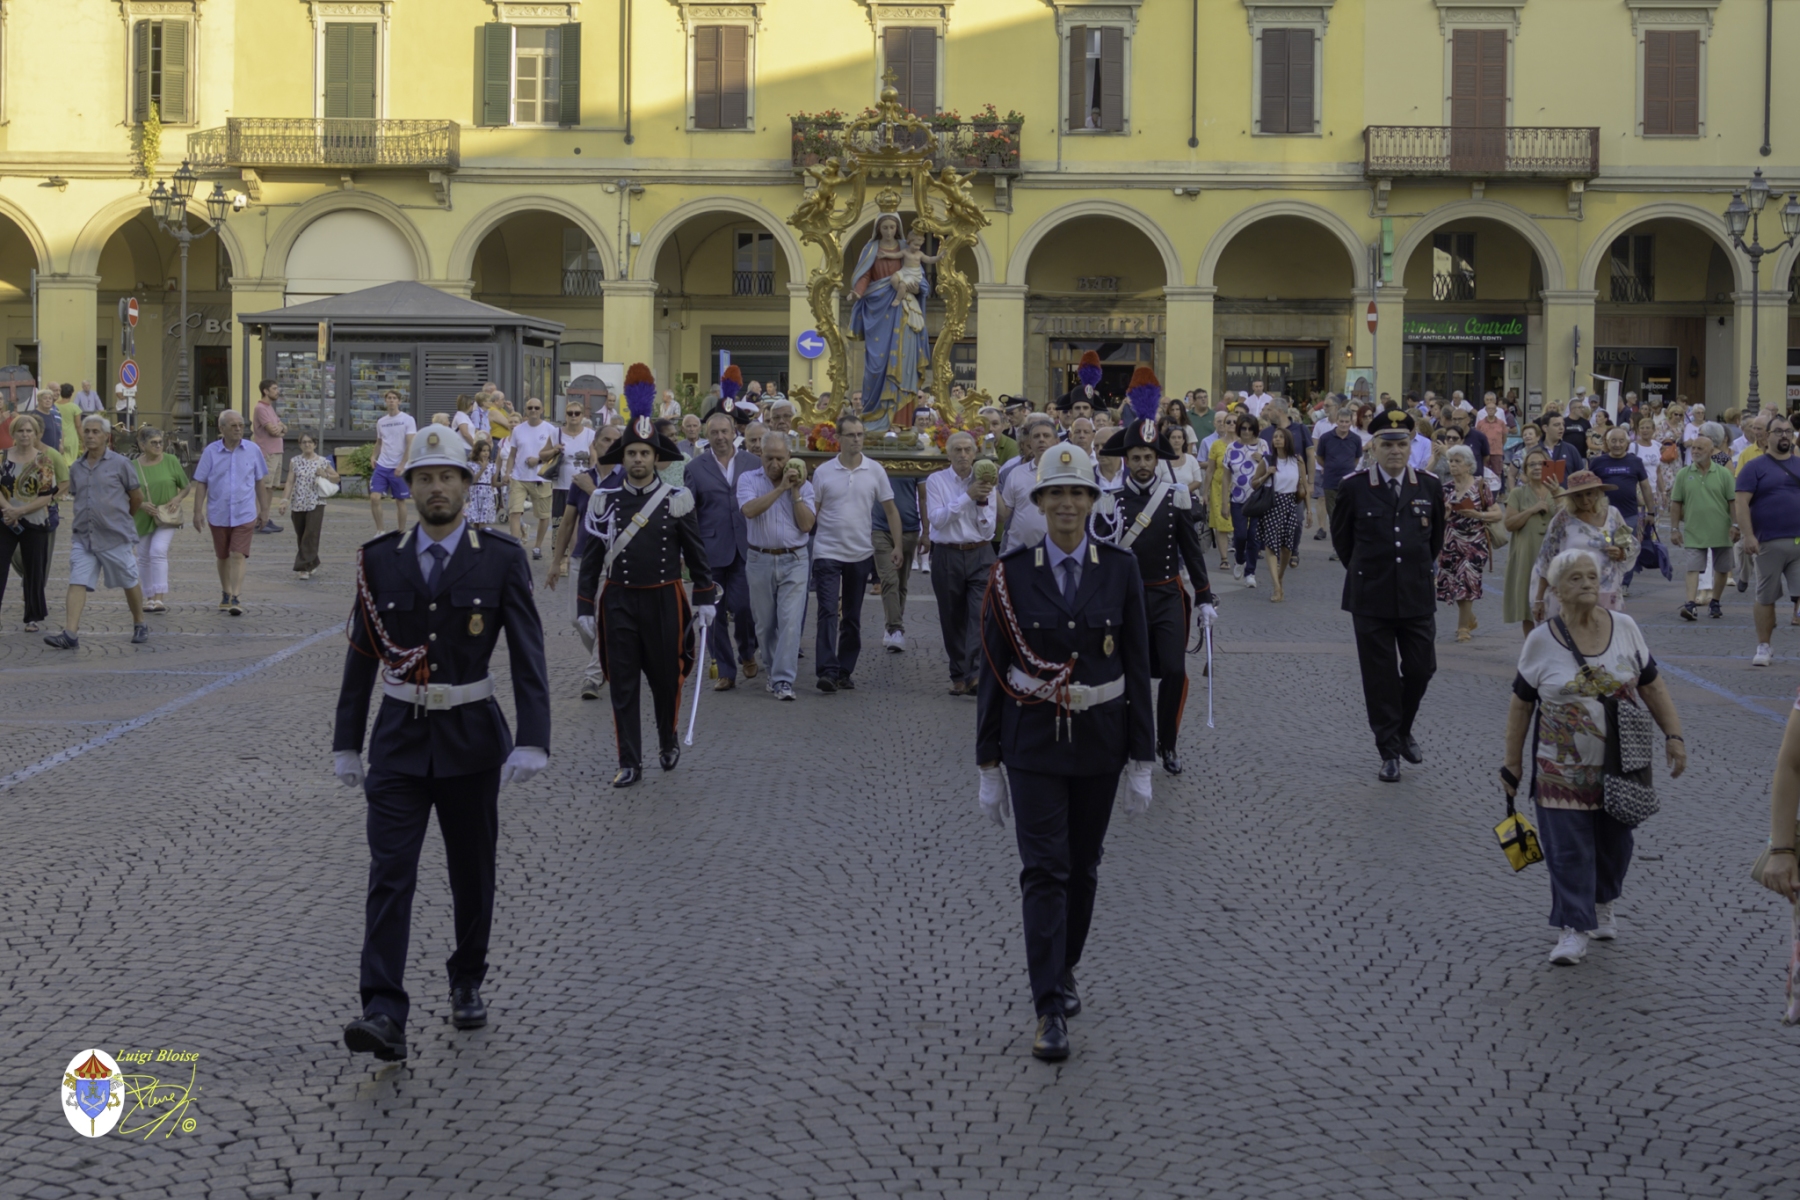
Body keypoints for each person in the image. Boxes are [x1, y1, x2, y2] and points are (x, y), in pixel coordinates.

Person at [332, 425, 549, 1063]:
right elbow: (362, 655)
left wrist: (533, 739)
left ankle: (467, 977)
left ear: (465, 484)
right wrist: (346, 741)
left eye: (446, 477)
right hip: (398, 741)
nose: (435, 489)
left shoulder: (501, 557)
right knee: (390, 873)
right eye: (424, 478)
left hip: (472, 740)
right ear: (410, 486)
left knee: (471, 874)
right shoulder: (380, 559)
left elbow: (528, 654)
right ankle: (382, 1009)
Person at [976, 442, 1154, 1063]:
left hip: (1100, 743)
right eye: (1056, 493)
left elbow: (1137, 665)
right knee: (1044, 871)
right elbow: (993, 667)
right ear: (1039, 501)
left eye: (1078, 493)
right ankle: (1048, 1005)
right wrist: (988, 762)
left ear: (1092, 501)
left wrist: (1143, 759)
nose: (1068, 504)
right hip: (1032, 744)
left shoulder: (1120, 569)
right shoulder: (1011, 574)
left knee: (1082, 869)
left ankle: (1065, 963)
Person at [1501, 549, 1685, 965]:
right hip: (1560, 768)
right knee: (1567, 848)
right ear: (1556, 590)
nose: (1587, 584)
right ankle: (1572, 927)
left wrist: (1674, 735)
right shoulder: (1540, 640)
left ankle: (1603, 902)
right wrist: (1512, 764)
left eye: (1591, 576)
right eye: (1575, 578)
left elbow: (1652, 686)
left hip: (1623, 763)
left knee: (1616, 843)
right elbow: (1521, 704)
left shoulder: (1625, 627)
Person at [581, 366, 717, 787]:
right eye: (631, 454)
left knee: (665, 680)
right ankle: (629, 761)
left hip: (664, 600)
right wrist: (585, 606)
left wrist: (705, 597)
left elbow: (696, 553)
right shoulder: (604, 501)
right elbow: (592, 559)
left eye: (644, 453)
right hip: (619, 600)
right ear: (622, 459)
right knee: (623, 684)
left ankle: (667, 739)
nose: (638, 459)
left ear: (657, 458)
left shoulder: (677, 499)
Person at [1096, 386, 1218, 775]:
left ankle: (1168, 742)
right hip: (1125, 600)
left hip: (1166, 594)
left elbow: (1192, 552)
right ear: (1126, 460)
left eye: (1149, 457)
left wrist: (1205, 597)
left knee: (1175, 671)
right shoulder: (1109, 500)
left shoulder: (1175, 497)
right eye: (1136, 457)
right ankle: (1135, 738)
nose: (1143, 463)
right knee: (1128, 673)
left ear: (1157, 458)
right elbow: (1100, 557)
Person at [1329, 409, 1445, 782]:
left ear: (1411, 446)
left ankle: (1403, 727)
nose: (1395, 451)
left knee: (1421, 668)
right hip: (1371, 596)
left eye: (1402, 444)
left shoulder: (1428, 485)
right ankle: (1389, 751)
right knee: (1379, 678)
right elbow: (1343, 542)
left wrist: (1414, 569)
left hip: (1415, 593)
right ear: (1373, 447)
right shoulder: (1354, 486)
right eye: (1387, 445)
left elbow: (1435, 539)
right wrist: (1367, 572)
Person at [809, 414, 900, 692]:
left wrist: (897, 545)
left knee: (851, 615)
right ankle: (827, 670)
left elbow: (890, 510)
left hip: (860, 552)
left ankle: (844, 669)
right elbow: (813, 512)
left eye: (860, 434)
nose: (857, 439)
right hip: (827, 551)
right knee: (827, 611)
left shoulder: (875, 470)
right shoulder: (823, 472)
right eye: (851, 435)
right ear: (838, 438)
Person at [44, 414, 148, 649]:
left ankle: (140, 622)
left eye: (95, 432)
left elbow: (137, 497)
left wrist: (122, 519)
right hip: (84, 536)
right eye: (87, 431)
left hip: (115, 535)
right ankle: (70, 634)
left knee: (129, 580)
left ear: (106, 436)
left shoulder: (121, 464)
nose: (90, 435)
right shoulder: (76, 467)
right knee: (77, 580)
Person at [683, 409, 761, 689]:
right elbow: (689, 512)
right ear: (707, 435)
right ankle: (725, 670)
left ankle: (747, 651)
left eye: (724, 432)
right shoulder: (695, 467)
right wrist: (688, 551)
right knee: (712, 612)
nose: (720, 437)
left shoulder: (753, 463)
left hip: (745, 545)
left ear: (734, 433)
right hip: (710, 550)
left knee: (744, 607)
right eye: (714, 432)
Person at [737, 434, 816, 701]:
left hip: (794, 560)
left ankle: (783, 679)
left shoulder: (805, 485)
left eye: (780, 459)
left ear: (789, 457)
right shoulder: (748, 479)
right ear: (760, 455)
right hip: (759, 559)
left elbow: (806, 525)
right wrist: (781, 488)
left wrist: (795, 492)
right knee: (765, 625)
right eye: (769, 458)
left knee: (790, 622)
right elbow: (749, 510)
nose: (774, 464)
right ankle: (773, 671)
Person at [926, 431, 999, 697]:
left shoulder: (986, 481)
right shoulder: (936, 481)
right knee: (952, 617)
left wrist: (981, 501)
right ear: (948, 455)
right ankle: (958, 674)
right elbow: (937, 519)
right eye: (957, 450)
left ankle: (975, 674)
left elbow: (988, 529)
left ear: (975, 453)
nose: (963, 455)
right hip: (947, 554)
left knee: (979, 615)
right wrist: (968, 496)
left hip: (980, 553)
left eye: (968, 449)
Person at [1734, 414, 1800, 666]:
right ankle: (1764, 646)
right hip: (1767, 542)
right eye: (1779, 431)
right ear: (1766, 436)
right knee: (1766, 596)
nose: (1784, 435)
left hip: (1798, 542)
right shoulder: (1753, 466)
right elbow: (1741, 503)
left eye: (1788, 431)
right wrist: (1748, 535)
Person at [1530, 470, 1638, 623]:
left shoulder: (1613, 514)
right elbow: (1546, 559)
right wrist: (1539, 599)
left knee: (1606, 631)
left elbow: (1630, 544)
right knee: (1576, 632)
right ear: (1571, 498)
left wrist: (1621, 553)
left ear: (1597, 493)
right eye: (1578, 495)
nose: (1585, 500)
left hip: (1607, 590)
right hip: (1574, 592)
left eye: (1589, 494)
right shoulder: (1563, 519)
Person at [191, 409, 270, 617]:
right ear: (222, 428)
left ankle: (236, 596)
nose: (238, 429)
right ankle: (226, 592)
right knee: (223, 555)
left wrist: (264, 510)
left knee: (237, 554)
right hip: (218, 512)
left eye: (241, 425)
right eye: (233, 425)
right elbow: (201, 483)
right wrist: (197, 512)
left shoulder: (253, 450)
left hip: (244, 512)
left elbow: (260, 482)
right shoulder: (210, 452)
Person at [0, 413, 62, 632]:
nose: (25, 435)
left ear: (36, 434)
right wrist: (8, 510)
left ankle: (32, 617)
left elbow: (46, 496)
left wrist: (20, 511)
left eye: (29, 431)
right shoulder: (2, 457)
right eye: (21, 431)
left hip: (34, 521)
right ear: (13, 433)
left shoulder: (43, 461)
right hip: (4, 520)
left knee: (34, 570)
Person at [1436, 445, 1503, 642]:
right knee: (1452, 582)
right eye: (1451, 461)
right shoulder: (1445, 488)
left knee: (1467, 580)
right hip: (1451, 541)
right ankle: (1469, 617)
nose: (1453, 465)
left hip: (1474, 542)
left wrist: (1477, 514)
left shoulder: (1480, 486)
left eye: (1457, 461)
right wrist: (1445, 514)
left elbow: (1497, 513)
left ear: (1468, 465)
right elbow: (1437, 519)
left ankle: (1463, 628)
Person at [1669, 425, 1737, 621]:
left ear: (1711, 451)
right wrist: (1674, 529)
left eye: (1700, 448)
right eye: (1694, 448)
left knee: (1722, 568)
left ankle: (1715, 601)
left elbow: (1733, 502)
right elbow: (1676, 503)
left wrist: (1736, 525)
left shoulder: (1723, 473)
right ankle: (1690, 604)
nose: (1695, 451)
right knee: (1692, 567)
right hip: (1694, 529)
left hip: (1721, 529)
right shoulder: (1683, 474)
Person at [131, 425, 189, 612]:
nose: (158, 446)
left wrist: (177, 499)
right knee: (143, 557)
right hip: (142, 516)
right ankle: (149, 597)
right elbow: (124, 492)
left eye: (160, 442)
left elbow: (186, 486)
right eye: (153, 443)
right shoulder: (133, 466)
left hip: (166, 516)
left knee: (157, 551)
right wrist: (141, 504)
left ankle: (159, 598)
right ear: (142, 445)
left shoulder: (171, 460)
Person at [872, 446, 922, 654]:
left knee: (901, 582)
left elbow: (923, 498)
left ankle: (891, 626)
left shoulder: (916, 462)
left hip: (909, 529)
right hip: (879, 528)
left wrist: (927, 532)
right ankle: (896, 630)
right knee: (889, 579)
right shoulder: (874, 463)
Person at [1504, 447, 1557, 634]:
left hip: (1554, 557)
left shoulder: (1559, 491)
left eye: (1541, 463)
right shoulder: (1517, 493)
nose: (1537, 467)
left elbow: (1569, 520)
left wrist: (1557, 494)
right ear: (1525, 470)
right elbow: (1509, 524)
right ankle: (1531, 646)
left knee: (1556, 604)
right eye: (1531, 464)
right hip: (1527, 556)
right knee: (1528, 607)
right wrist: (1531, 510)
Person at [1251, 425, 1306, 602]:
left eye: (1281, 437)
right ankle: (1276, 587)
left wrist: (1309, 512)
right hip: (1272, 504)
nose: (1277, 439)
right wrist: (1267, 474)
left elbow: (1303, 486)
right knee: (1271, 544)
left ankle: (1280, 576)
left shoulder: (1297, 460)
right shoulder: (1268, 460)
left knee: (1287, 547)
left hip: (1290, 504)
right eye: (1275, 437)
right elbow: (1254, 483)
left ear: (1287, 440)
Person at [277, 433, 339, 580]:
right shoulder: (295, 461)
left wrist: (325, 474)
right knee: (302, 534)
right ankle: (312, 562)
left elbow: (337, 478)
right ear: (300, 445)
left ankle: (303, 568)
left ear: (315, 444)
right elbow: (290, 482)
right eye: (304, 442)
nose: (307, 445)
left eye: (310, 442)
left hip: (316, 502)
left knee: (311, 533)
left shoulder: (322, 461)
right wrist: (284, 500)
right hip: (298, 502)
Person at [504, 397, 557, 560]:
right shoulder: (518, 430)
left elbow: (556, 454)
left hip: (541, 478)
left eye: (536, 408)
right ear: (525, 410)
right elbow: (512, 454)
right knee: (515, 512)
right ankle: (514, 547)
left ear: (542, 410)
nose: (533, 410)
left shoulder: (550, 429)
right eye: (530, 408)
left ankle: (537, 546)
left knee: (543, 515)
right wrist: (507, 472)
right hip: (519, 477)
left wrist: (538, 460)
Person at [998, 416, 1057, 554]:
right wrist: (992, 487)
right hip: (1018, 551)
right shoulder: (1016, 473)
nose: (1041, 439)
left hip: (1053, 552)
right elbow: (1004, 515)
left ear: (1056, 441)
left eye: (1046, 436)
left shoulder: (1066, 474)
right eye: (1036, 436)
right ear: (1030, 442)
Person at [1225, 414, 1266, 587]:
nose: (1247, 432)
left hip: (1257, 498)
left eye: (1250, 429)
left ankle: (1250, 572)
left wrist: (1262, 460)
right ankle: (1239, 559)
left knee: (1254, 536)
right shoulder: (1231, 448)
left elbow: (1272, 469)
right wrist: (1224, 502)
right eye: (1243, 428)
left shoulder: (1263, 445)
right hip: (1237, 497)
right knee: (1240, 535)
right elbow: (1226, 475)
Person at [551, 399, 595, 550]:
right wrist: (554, 450)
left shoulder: (590, 434)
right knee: (560, 522)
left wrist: (592, 480)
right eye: (570, 413)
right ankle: (560, 556)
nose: (573, 416)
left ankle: (575, 554)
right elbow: (542, 455)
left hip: (582, 485)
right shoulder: (556, 433)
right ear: (565, 415)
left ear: (582, 415)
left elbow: (593, 459)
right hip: (561, 485)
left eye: (577, 413)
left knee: (578, 522)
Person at [369, 391, 415, 534]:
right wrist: (373, 456)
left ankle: (400, 531)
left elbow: (410, 443)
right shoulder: (381, 422)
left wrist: (402, 465)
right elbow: (379, 442)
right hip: (383, 465)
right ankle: (380, 531)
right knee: (374, 497)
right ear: (385, 401)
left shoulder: (407, 419)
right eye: (389, 398)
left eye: (394, 398)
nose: (391, 401)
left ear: (399, 402)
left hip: (399, 466)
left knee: (400, 500)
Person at [252, 379, 287, 534]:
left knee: (271, 487)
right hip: (267, 453)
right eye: (274, 388)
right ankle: (256, 521)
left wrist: (280, 427)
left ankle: (265, 518)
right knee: (263, 487)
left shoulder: (270, 408)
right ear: (265, 391)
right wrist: (279, 428)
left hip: (277, 452)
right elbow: (272, 431)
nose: (277, 391)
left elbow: (284, 428)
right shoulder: (260, 408)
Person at [466, 440, 499, 529]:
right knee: (476, 521)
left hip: (487, 494)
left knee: (483, 521)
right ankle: (477, 536)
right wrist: (482, 469)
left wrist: (503, 483)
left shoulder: (492, 466)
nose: (486, 453)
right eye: (483, 451)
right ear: (478, 451)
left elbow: (494, 483)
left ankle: (482, 536)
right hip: (475, 494)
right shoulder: (470, 465)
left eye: (488, 451)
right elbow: (473, 480)